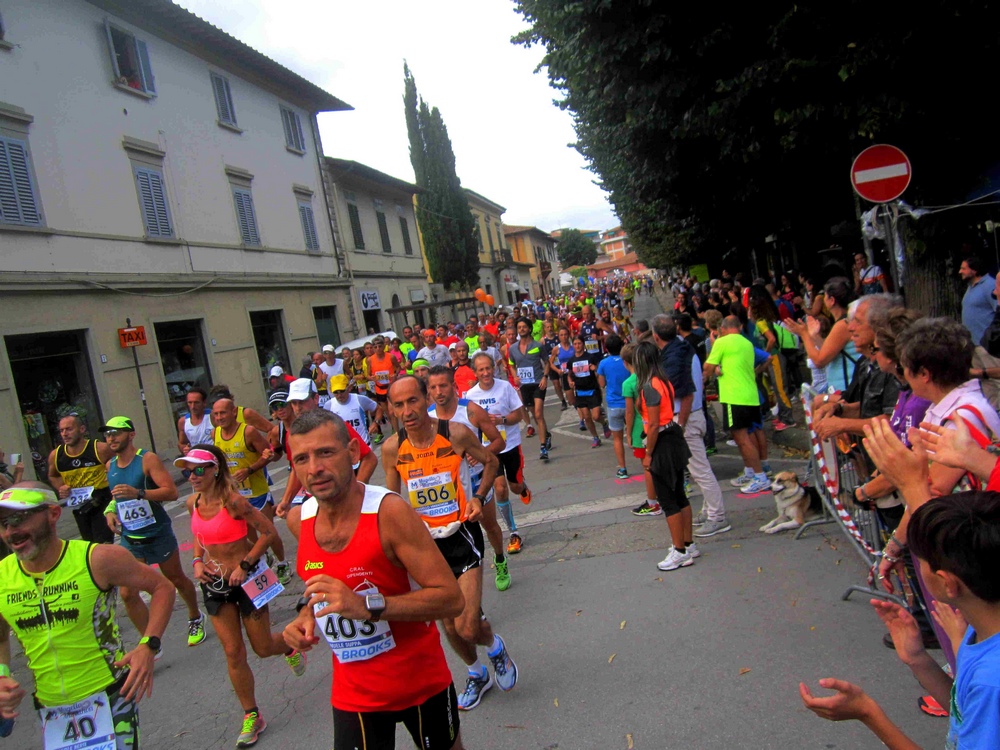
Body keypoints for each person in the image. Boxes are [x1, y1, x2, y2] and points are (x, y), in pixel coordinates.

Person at [282, 409, 467, 750]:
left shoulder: (389, 512)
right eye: (302, 458)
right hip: (355, 694)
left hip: (419, 682)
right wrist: (305, 614)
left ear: (352, 452)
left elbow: (451, 598)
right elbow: (320, 585)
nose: (314, 469)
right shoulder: (299, 519)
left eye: (325, 452)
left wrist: (368, 605)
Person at [800, 491, 1000, 750]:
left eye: (920, 561)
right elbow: (967, 712)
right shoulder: (980, 628)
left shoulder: (991, 681)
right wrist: (918, 659)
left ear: (947, 583)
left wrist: (868, 713)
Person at [0, 482, 176, 748]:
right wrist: (2, 673)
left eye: (19, 518)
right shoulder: (2, 576)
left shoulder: (97, 559)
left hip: (108, 697)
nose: (10, 531)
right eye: (3, 523)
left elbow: (162, 587)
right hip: (51, 710)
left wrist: (148, 645)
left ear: (53, 514)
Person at [382, 377, 518, 712]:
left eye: (412, 401)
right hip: (425, 547)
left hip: (461, 535)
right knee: (449, 626)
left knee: (467, 624)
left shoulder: (454, 433)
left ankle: (494, 646)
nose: (407, 411)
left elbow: (491, 462)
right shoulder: (391, 448)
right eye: (398, 405)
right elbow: (389, 500)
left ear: (426, 397)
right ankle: (476, 673)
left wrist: (479, 496)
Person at [179, 446, 305, 747]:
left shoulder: (234, 502)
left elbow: (267, 533)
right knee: (233, 651)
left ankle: (288, 645)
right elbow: (199, 537)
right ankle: (252, 714)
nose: (193, 476)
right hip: (215, 584)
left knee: (262, 647)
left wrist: (244, 564)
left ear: (214, 470)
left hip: (248, 580)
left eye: (199, 470)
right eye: (188, 471)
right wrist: (197, 562)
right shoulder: (191, 502)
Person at [100, 416, 206, 650]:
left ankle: (195, 615)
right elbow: (116, 496)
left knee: (176, 578)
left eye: (116, 432)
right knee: (127, 593)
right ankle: (150, 642)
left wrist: (139, 493)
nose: (111, 438)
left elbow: (171, 492)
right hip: (131, 538)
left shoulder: (147, 459)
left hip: (157, 533)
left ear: (131, 434)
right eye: (107, 434)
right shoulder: (110, 466)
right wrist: (110, 511)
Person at [426, 367, 510, 591]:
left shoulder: (471, 411)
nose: (439, 391)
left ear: (454, 387)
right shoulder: (428, 418)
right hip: (449, 487)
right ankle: (462, 577)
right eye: (433, 387)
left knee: (490, 525)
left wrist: (480, 453)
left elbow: (499, 442)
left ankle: (500, 559)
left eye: (443, 385)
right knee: (454, 534)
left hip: (477, 481)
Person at [274, 378, 377, 521]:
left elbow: (369, 458)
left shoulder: (334, 425)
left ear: (316, 398)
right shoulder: (292, 434)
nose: (298, 408)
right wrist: (286, 500)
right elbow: (295, 469)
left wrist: (354, 493)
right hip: (316, 502)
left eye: (302, 401)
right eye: (294, 403)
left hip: (344, 499)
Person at [633, 342, 697, 570]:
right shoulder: (664, 381)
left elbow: (652, 426)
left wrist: (648, 454)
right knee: (680, 494)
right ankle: (687, 544)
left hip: (662, 442)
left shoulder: (649, 386)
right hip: (673, 436)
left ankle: (679, 551)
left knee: (668, 500)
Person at [212, 398, 289, 583]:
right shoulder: (216, 433)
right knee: (249, 535)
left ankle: (282, 563)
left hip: (257, 492)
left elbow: (268, 455)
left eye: (223, 413)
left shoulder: (249, 431)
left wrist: (249, 470)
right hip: (235, 495)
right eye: (216, 414)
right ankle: (262, 561)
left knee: (268, 531)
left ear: (233, 412)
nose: (219, 417)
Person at [466, 352, 531, 554]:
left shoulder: (505, 387)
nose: (486, 373)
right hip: (489, 449)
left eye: (488, 368)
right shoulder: (471, 396)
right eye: (481, 370)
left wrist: (500, 420)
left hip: (510, 445)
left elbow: (518, 414)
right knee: (500, 488)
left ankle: (522, 486)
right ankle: (514, 532)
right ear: (475, 373)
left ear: (494, 367)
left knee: (514, 486)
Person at [704, 316, 771, 495]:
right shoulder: (746, 343)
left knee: (742, 438)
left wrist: (713, 346)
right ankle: (751, 470)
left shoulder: (722, 342)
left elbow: (708, 367)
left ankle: (759, 476)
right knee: (747, 434)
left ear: (723, 329)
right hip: (750, 395)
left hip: (735, 397)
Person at [47, 413, 115, 544]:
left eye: (69, 429)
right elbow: (53, 475)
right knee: (88, 544)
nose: (65, 434)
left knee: (102, 544)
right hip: (79, 505)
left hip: (101, 500)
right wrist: (61, 487)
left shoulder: (99, 448)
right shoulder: (56, 455)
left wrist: (110, 472)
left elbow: (118, 465)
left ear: (82, 429)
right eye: (61, 430)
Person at [783, 277, 858, 394]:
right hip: (845, 385)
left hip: (848, 387)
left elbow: (819, 361)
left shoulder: (842, 325)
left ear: (832, 300)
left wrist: (804, 334)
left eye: (825, 296)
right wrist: (814, 336)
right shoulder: (843, 321)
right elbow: (829, 351)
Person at [507, 317, 551, 460]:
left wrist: (545, 377)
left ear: (530, 328)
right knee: (534, 413)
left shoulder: (538, 345)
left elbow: (547, 362)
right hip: (525, 385)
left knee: (538, 414)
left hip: (538, 383)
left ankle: (543, 447)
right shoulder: (513, 348)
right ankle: (547, 434)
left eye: (524, 327)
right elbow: (511, 364)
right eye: (519, 327)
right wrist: (515, 376)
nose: (521, 329)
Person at [598, 335, 632, 478]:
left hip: (613, 404)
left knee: (617, 438)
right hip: (630, 402)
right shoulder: (627, 361)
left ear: (607, 348)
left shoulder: (603, 363)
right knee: (636, 433)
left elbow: (601, 384)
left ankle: (623, 468)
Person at [567, 335, 604, 448]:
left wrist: (595, 369)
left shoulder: (590, 357)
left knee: (596, 416)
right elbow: (569, 375)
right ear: (573, 346)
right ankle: (595, 437)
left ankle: (604, 423)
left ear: (583, 344)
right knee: (587, 417)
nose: (577, 346)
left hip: (592, 390)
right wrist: (570, 382)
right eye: (575, 344)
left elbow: (599, 373)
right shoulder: (571, 360)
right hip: (580, 392)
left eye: (579, 343)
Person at [324, 374, 378, 447]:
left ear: (349, 388)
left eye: (342, 391)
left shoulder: (360, 400)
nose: (339, 395)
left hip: (364, 446)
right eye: (336, 392)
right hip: (345, 451)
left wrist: (375, 422)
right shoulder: (328, 406)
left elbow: (378, 409)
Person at [368, 336, 400, 443]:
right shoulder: (370, 360)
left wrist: (395, 374)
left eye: (380, 346)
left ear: (384, 346)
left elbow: (398, 367)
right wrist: (371, 378)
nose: (377, 348)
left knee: (391, 412)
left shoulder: (390, 357)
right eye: (375, 346)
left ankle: (397, 434)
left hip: (390, 387)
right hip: (379, 389)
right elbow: (367, 375)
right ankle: (394, 429)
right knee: (387, 413)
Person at [961, 256, 998, 346]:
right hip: (973, 345)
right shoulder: (970, 287)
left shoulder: (989, 285)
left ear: (974, 270)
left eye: (963, 269)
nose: (960, 271)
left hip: (987, 347)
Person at [177, 387, 214, 456]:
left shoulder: (213, 416)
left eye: (196, 403)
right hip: (196, 458)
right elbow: (182, 443)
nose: (193, 406)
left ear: (204, 403)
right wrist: (185, 449)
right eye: (190, 403)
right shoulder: (183, 421)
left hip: (214, 457)